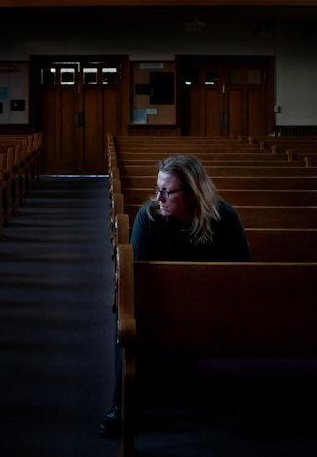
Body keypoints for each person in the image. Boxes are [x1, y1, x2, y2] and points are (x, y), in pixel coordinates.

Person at [99, 153, 252, 439]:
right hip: (162, 312)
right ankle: (121, 405)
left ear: (193, 193)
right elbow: (137, 280)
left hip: (213, 312)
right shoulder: (149, 217)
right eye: (157, 189)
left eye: (167, 191)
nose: (159, 197)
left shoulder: (225, 218)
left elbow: (244, 278)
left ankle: (251, 402)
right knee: (127, 319)